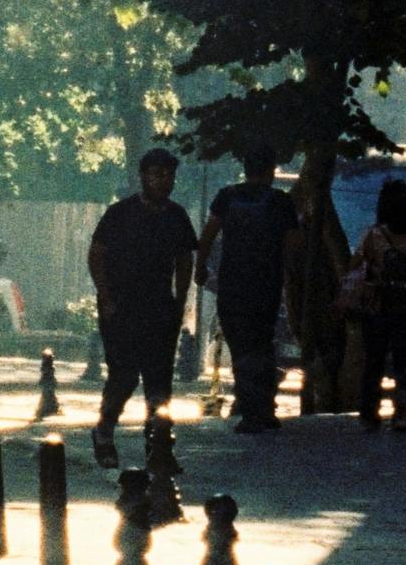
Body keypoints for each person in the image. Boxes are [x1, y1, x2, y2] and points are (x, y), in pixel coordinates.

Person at [88, 147, 198, 465]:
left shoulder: (176, 216)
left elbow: (184, 260)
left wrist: (179, 302)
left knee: (159, 377)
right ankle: (104, 432)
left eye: (170, 175)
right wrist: (106, 296)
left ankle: (159, 444)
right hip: (121, 305)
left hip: (159, 306)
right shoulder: (120, 214)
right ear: (144, 177)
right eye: (158, 174)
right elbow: (96, 255)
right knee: (123, 375)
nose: (165, 181)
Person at [198, 146, 301, 434]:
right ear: (271, 171)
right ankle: (264, 407)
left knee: (241, 346)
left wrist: (201, 266)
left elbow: (208, 234)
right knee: (262, 344)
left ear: (245, 168)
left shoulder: (227, 197)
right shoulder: (280, 201)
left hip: (231, 285)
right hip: (266, 286)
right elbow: (292, 246)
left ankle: (248, 406)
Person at [345, 177, 406, 430]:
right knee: (404, 362)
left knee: (374, 361)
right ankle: (402, 414)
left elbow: (355, 266)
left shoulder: (375, 236)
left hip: (378, 308)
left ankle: (370, 413)